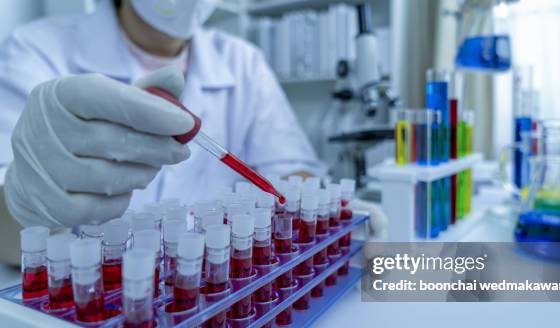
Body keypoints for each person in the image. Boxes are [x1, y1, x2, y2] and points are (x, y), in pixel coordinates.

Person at [0, 0, 386, 265]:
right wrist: (28, 202)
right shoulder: (37, 50)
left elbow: (287, 169)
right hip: (88, 311)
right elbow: (7, 242)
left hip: (216, 302)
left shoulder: (242, 61)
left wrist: (317, 210)